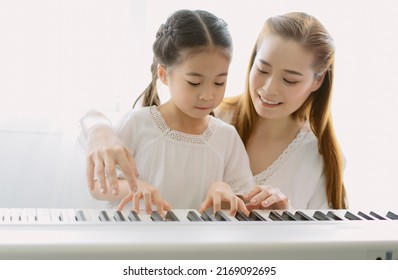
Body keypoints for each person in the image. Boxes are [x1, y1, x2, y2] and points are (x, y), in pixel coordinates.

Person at [81, 12, 347, 210]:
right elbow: (103, 177)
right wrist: (99, 130)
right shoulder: (198, 112)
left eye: (290, 79)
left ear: (317, 80)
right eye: (262, 69)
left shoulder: (224, 135)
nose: (269, 89)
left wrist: (274, 212)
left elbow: (241, 200)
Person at [83, 9, 256, 216]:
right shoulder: (138, 124)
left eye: (219, 82)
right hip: (136, 241)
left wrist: (225, 190)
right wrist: (136, 187)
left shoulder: (227, 137)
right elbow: (97, 187)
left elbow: (243, 200)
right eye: (194, 82)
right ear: (164, 75)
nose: (208, 95)